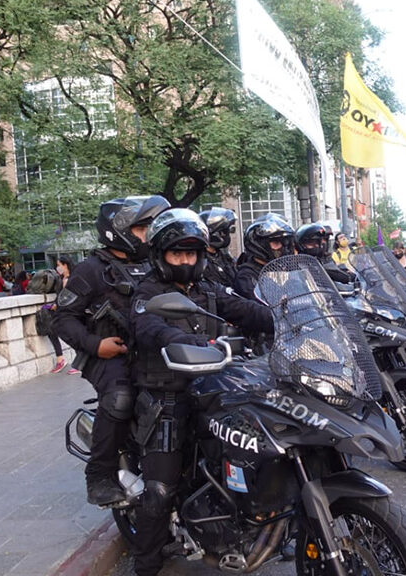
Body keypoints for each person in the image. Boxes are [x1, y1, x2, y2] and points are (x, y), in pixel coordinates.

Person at [131, 209, 274, 576]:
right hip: (168, 396)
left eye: (191, 254)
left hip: (214, 388)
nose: (185, 261)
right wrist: (186, 341)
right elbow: (150, 327)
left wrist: (287, 318)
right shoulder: (148, 291)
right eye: (177, 254)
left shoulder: (207, 288)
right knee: (159, 489)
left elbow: (243, 308)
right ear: (160, 255)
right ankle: (146, 565)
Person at [54, 194, 170, 506]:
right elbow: (62, 318)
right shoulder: (91, 270)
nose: (148, 235)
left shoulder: (154, 265)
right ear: (117, 231)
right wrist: (96, 345)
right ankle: (99, 475)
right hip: (107, 355)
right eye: (141, 229)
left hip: (151, 350)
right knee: (121, 397)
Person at [233, 214, 294, 301]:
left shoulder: (279, 269)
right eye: (276, 243)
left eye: (283, 242)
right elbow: (260, 307)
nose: (281, 247)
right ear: (260, 244)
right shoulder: (246, 277)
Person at [44, 255, 75, 374]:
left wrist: (55, 306)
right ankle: (61, 359)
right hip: (64, 312)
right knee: (54, 332)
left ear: (65, 265)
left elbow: (66, 298)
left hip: (68, 314)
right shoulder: (63, 278)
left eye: (59, 265)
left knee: (69, 336)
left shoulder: (68, 280)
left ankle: (73, 362)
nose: (58, 268)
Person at [198, 207, 238, 288]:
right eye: (222, 232)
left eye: (226, 231)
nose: (225, 235)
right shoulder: (201, 262)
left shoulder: (223, 255)